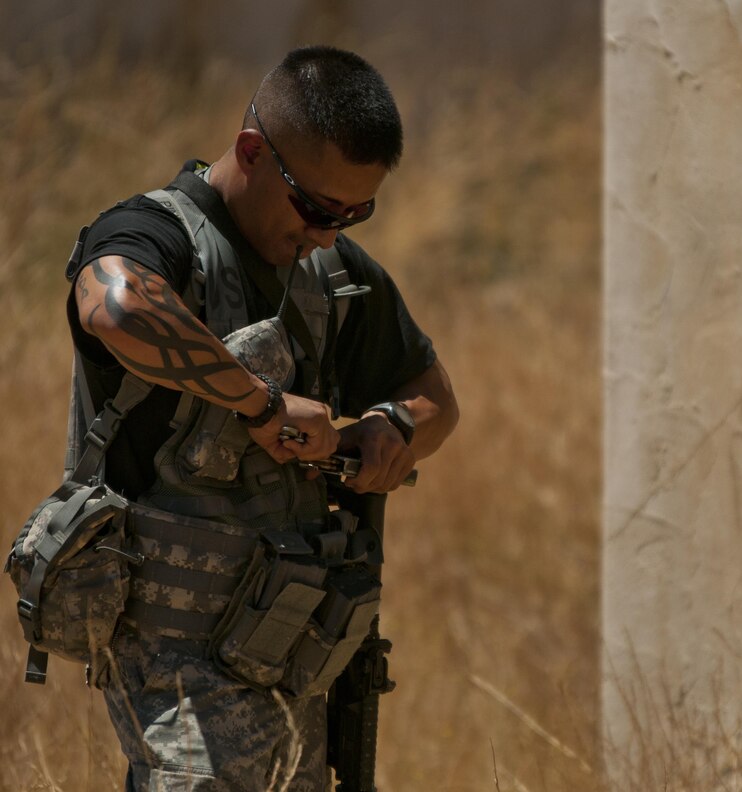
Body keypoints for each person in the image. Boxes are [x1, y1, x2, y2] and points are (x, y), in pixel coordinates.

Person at [65, 45, 458, 790]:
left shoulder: (333, 273)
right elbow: (114, 308)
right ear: (253, 152)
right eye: (316, 206)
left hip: (291, 649)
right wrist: (261, 402)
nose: (329, 232)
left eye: (356, 212)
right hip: (172, 658)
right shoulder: (159, 234)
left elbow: (434, 392)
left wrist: (389, 429)